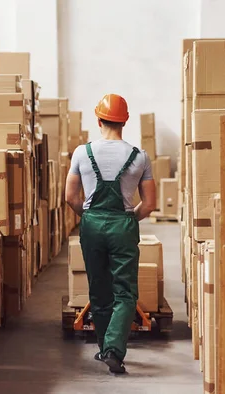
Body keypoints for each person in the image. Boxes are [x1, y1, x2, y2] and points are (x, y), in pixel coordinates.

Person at [65, 93, 156, 374]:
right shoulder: (139, 156)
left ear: (98, 118)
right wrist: (128, 220)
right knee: (125, 292)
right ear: (125, 121)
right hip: (123, 226)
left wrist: (91, 217)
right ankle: (114, 350)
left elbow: (70, 197)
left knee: (99, 290)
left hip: (92, 226)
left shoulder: (82, 152)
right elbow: (150, 204)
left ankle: (106, 348)